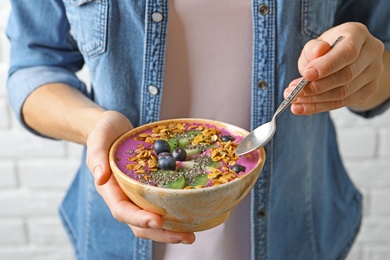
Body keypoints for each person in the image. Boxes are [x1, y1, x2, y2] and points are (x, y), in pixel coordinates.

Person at [6, 0, 390, 259]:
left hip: (294, 229)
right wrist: (96, 127)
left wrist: (366, 77)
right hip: (118, 235)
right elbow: (34, 67)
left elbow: (380, 62)